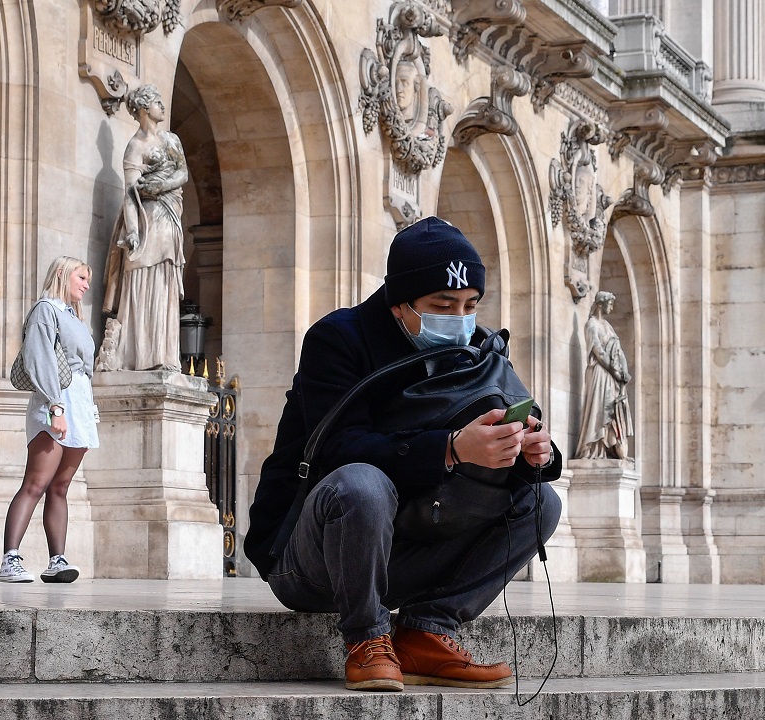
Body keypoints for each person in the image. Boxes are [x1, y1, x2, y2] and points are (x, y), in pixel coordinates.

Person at [244, 217, 563, 692]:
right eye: (442, 305)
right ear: (400, 304)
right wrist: (452, 449)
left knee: (542, 502)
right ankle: (367, 640)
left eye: (470, 305)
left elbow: (524, 434)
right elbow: (336, 449)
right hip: (312, 558)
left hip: (409, 543)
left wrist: (533, 452)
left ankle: (427, 631)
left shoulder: (479, 349)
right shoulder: (338, 338)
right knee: (361, 483)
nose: (459, 319)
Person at [0, 256, 100, 583]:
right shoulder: (46, 309)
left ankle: (57, 561)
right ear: (62, 274)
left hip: (79, 402)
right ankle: (9, 561)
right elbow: (39, 358)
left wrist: (86, 409)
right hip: (56, 400)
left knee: (60, 487)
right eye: (81, 277)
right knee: (36, 483)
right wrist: (56, 406)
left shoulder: (73, 316)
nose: (86, 284)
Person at [99, 84, 188, 372]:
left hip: (169, 216)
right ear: (143, 108)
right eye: (157, 102)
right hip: (148, 219)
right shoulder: (135, 146)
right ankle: (139, 354)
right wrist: (134, 232)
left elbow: (183, 173)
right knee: (142, 275)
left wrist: (163, 185)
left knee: (165, 278)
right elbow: (129, 194)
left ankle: (164, 352)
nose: (162, 106)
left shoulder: (171, 139)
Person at [576, 290, 633, 460]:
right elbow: (598, 351)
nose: (612, 308)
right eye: (610, 304)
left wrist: (620, 372)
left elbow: (616, 350)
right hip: (599, 374)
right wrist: (613, 369)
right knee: (599, 410)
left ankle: (609, 450)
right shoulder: (591, 324)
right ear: (601, 304)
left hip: (611, 378)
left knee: (611, 411)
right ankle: (594, 449)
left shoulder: (607, 326)